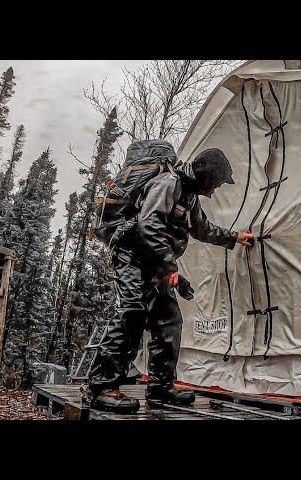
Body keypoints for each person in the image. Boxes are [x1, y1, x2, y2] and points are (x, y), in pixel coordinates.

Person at [81, 145, 254, 413]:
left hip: (154, 260)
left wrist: (234, 238)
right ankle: (100, 387)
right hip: (131, 252)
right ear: (206, 175)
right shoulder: (168, 182)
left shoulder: (190, 196)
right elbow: (148, 224)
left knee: (169, 320)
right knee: (132, 311)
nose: (216, 189)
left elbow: (201, 229)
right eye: (217, 183)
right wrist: (170, 265)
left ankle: (161, 388)